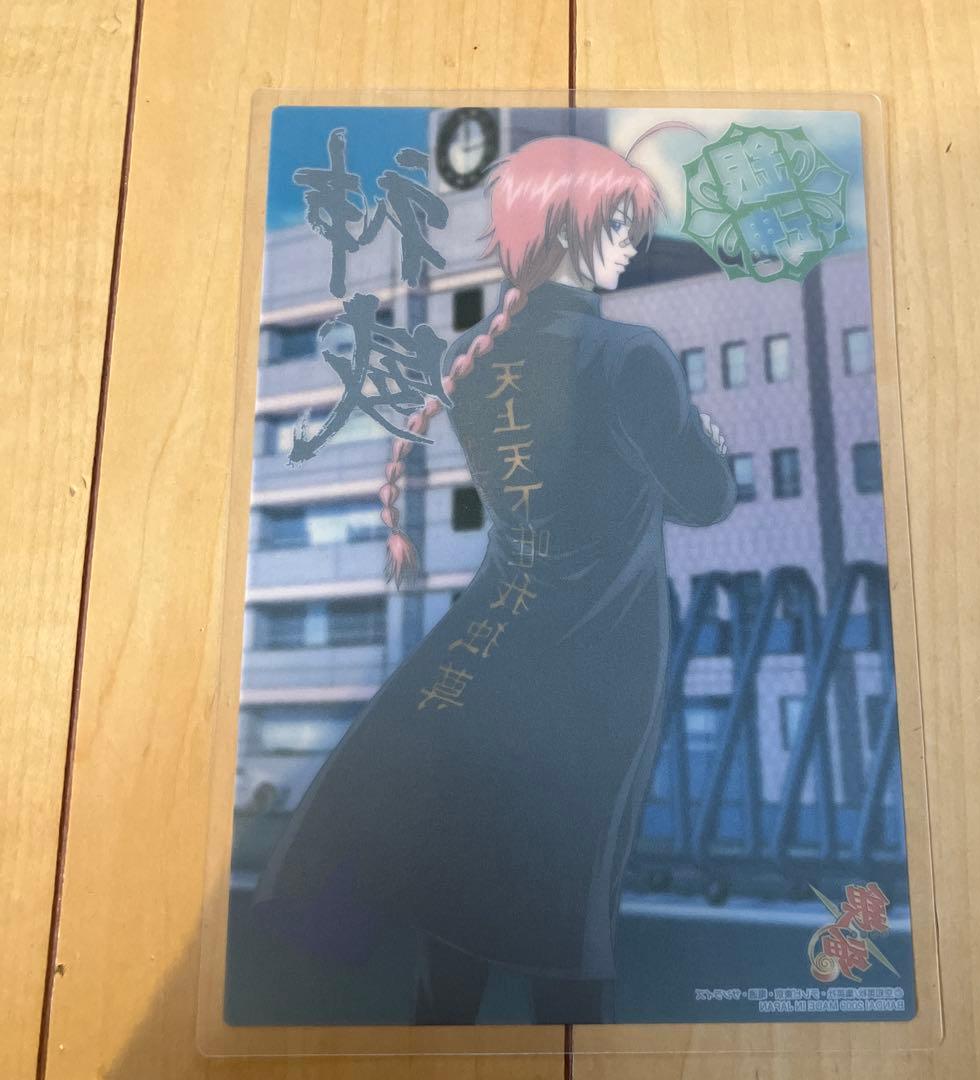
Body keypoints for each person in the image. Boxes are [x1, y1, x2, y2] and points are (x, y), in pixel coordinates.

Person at [252, 134, 737, 1025]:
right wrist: (703, 439)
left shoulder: (473, 357)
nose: (630, 245)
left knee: (460, 891)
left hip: (486, 644)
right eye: (618, 224)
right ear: (565, 227)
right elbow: (704, 500)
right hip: (595, 658)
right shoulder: (631, 356)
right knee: (569, 903)